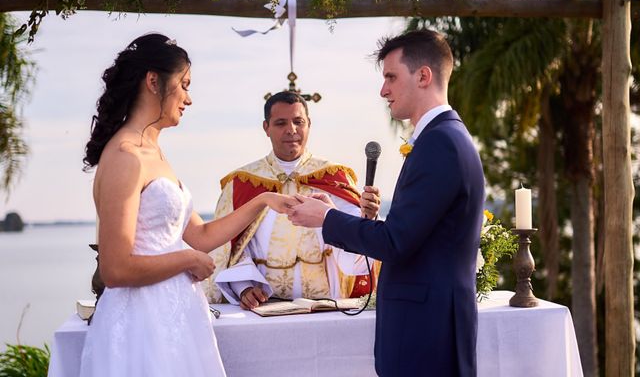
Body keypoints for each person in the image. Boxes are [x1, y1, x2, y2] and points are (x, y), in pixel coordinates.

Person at [79, 34, 294, 377]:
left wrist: (264, 200)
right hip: (141, 324)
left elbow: (202, 234)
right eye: (184, 85)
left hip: (175, 317)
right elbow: (115, 269)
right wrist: (187, 260)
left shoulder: (154, 152)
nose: (189, 99)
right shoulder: (125, 156)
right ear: (153, 81)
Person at [288, 30, 485, 376]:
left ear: (423, 76)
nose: (383, 91)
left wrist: (327, 218)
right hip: (427, 330)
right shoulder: (441, 138)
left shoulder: (441, 143)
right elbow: (411, 235)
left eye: (391, 77)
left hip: (427, 336)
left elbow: (396, 242)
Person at [204, 91, 377, 309]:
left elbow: (355, 253)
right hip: (263, 308)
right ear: (266, 127)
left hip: (326, 306)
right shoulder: (243, 183)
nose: (291, 130)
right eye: (280, 123)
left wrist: (367, 218)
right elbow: (231, 248)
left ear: (309, 124)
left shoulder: (334, 178)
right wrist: (244, 287)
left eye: (298, 121)